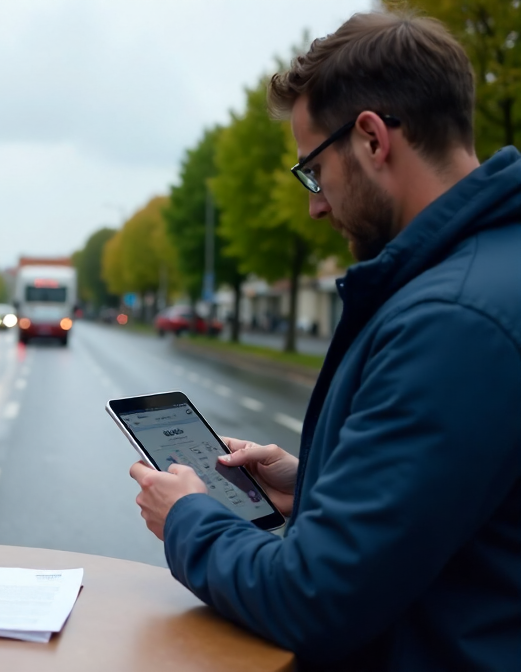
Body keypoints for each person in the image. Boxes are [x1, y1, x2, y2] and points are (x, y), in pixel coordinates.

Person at [128, 12, 521, 672]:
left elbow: (313, 598)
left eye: (313, 170)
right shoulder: (487, 273)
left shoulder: (452, 319)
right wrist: (312, 485)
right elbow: (455, 502)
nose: (314, 203)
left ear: (371, 138)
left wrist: (189, 518)